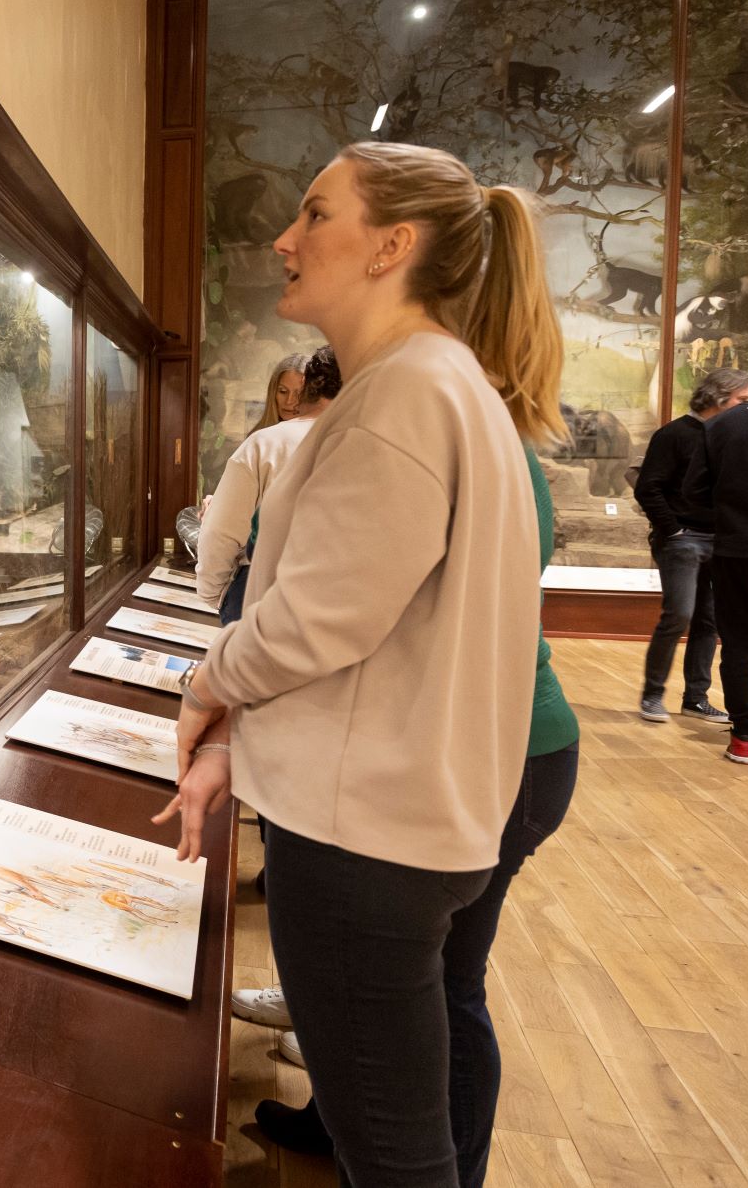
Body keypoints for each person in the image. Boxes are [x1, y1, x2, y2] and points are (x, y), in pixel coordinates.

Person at [156, 141, 555, 1184]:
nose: (285, 239)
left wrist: (206, 684)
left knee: (390, 1157)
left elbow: (315, 621)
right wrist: (237, 741)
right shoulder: (442, 386)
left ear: (391, 244)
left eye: (314, 213)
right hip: (404, 824)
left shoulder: (401, 397)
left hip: (363, 847)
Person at [237, 440, 582, 1187]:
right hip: (500, 743)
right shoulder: (485, 435)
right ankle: (335, 1122)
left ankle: (454, 1172)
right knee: (411, 985)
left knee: (446, 986)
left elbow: (333, 609)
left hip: (490, 747)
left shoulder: (444, 429)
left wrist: (218, 687)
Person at [634, 367, 748, 723]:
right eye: (741, 400)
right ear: (719, 397)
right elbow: (648, 487)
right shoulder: (674, 434)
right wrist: (673, 532)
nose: (745, 406)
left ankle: (695, 698)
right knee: (679, 615)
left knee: (708, 620)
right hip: (682, 540)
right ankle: (652, 695)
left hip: (718, 541)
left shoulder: (728, 435)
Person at [198, 347, 340, 623]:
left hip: (260, 583)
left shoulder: (263, 444)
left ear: (309, 389)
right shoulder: (366, 446)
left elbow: (220, 534)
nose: (291, 401)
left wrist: (215, 594)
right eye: (283, 391)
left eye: (298, 391)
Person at [684, 340, 748, 765]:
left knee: (737, 645)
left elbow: (694, 492)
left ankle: (741, 736)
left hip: (734, 551)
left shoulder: (720, 426)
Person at [249, 352, 307, 435]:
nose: (289, 401)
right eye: (283, 391)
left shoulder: (322, 440)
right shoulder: (256, 438)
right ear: (273, 392)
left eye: (299, 393)